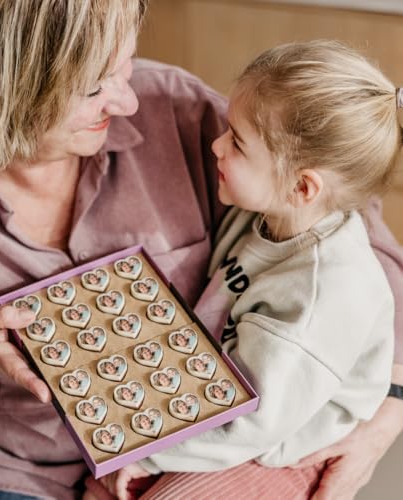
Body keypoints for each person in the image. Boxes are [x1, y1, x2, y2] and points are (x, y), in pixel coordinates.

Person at [0, 0, 401, 498]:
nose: (128, 103)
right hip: (17, 471)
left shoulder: (176, 108)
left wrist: (388, 407)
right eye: (95, 86)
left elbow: (345, 232)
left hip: (191, 451)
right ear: (1, 86)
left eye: (126, 66)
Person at [98, 41, 403, 500]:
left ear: (302, 186)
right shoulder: (268, 215)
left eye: (237, 142)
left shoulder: (319, 296)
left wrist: (146, 454)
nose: (216, 145)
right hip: (233, 410)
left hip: (284, 447)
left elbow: (251, 424)